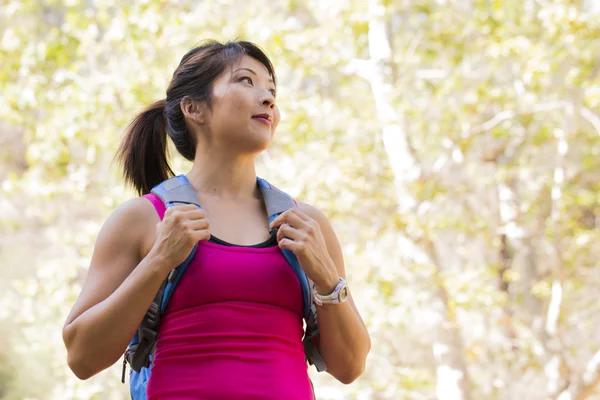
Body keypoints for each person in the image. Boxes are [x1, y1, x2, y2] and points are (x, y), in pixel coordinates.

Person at [62, 40, 370, 399]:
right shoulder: (143, 219)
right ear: (194, 108)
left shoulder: (305, 224)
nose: (268, 99)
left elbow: (350, 366)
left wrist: (327, 277)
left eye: (271, 89)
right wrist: (159, 260)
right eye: (246, 81)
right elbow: (81, 357)